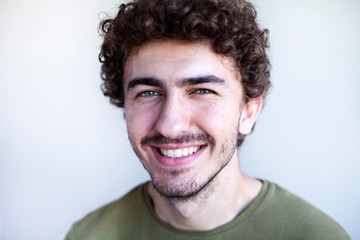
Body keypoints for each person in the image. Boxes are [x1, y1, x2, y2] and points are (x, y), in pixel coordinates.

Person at [66, 0, 350, 239]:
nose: (170, 125)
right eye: (149, 93)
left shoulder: (317, 235)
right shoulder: (90, 234)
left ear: (248, 112)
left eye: (202, 91)